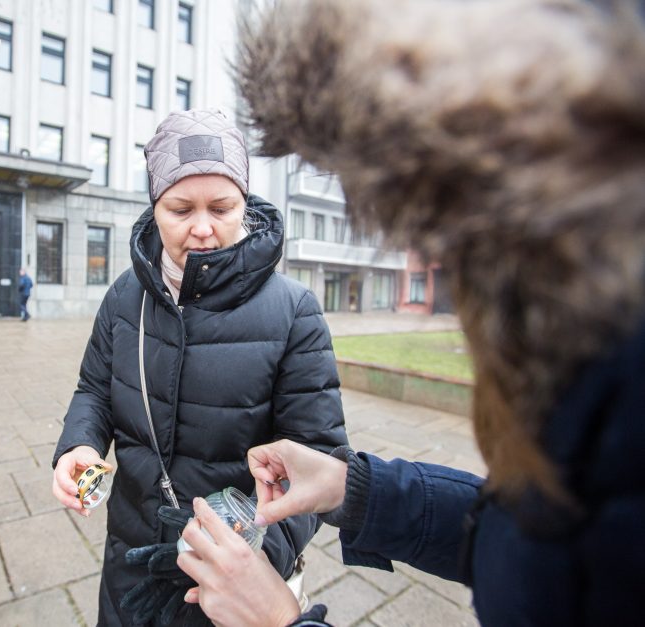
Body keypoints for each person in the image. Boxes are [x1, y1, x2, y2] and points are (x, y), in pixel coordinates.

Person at [172, 0, 645, 625]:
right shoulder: (585, 350)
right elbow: (535, 539)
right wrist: (356, 491)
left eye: (457, 236)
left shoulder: (615, 381)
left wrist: (281, 621)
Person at [51, 109, 348, 626]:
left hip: (232, 582)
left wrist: (258, 557)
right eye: (180, 209)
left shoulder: (294, 311)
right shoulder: (126, 296)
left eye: (222, 206)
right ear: (154, 206)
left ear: (245, 204)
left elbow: (318, 459)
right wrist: (80, 443)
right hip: (130, 562)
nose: (203, 228)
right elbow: (95, 389)